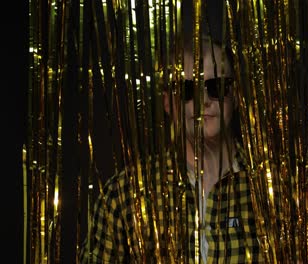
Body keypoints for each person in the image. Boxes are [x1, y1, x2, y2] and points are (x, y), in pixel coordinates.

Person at [79, 35, 264, 263]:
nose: (203, 100)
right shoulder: (125, 194)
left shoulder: (270, 188)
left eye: (217, 87)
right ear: (168, 102)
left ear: (235, 96)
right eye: (188, 90)